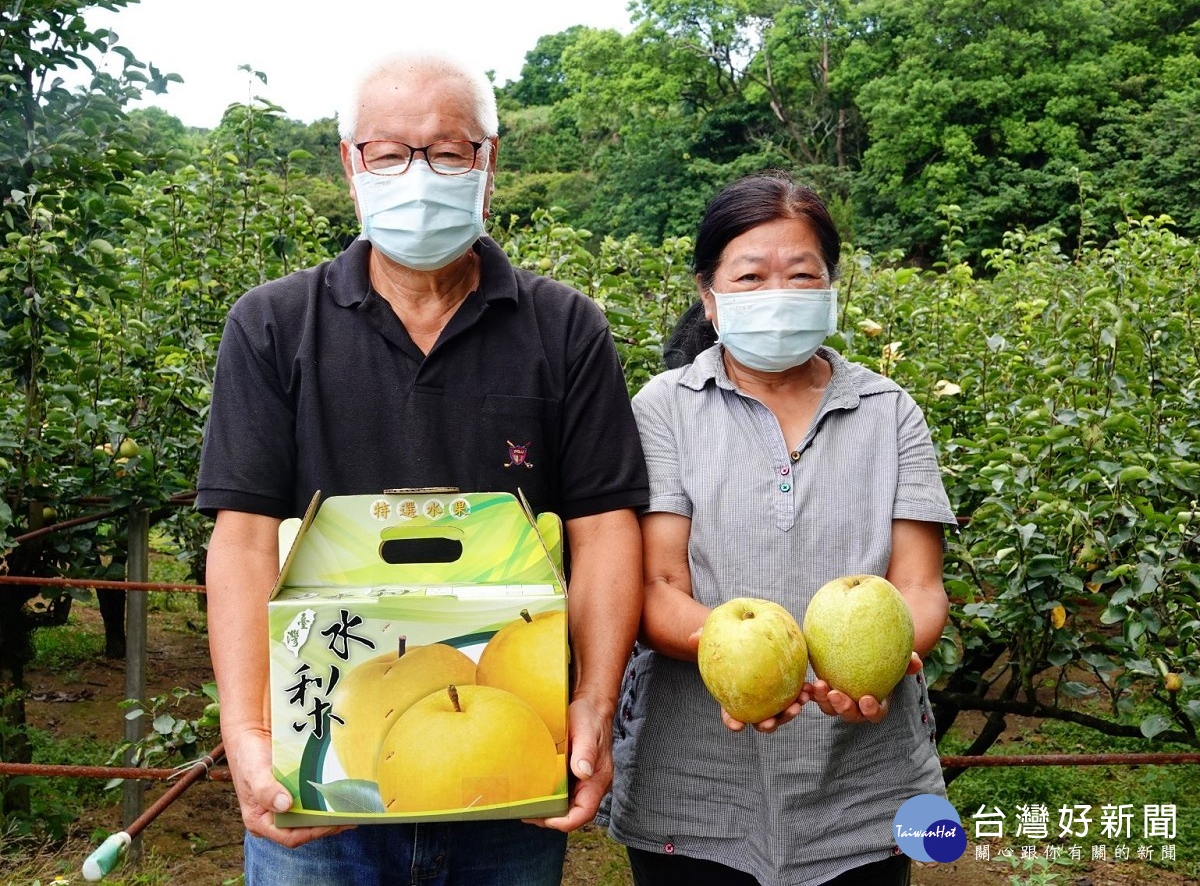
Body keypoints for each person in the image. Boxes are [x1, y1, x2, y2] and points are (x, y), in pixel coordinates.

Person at [196, 51, 648, 885]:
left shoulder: (564, 327)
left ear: (488, 163)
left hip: (508, 765)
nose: (418, 174)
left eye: (447, 151)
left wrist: (591, 707)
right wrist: (249, 735)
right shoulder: (271, 325)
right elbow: (245, 539)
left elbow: (605, 528)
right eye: (389, 153)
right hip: (323, 774)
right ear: (349, 164)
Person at [603, 170, 958, 885]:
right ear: (709, 295)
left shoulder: (890, 411)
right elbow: (660, 583)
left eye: (801, 275)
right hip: (695, 780)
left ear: (831, 288)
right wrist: (756, 668)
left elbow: (919, 586)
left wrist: (871, 665)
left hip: (864, 779)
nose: (777, 295)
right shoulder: (664, 407)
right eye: (750, 276)